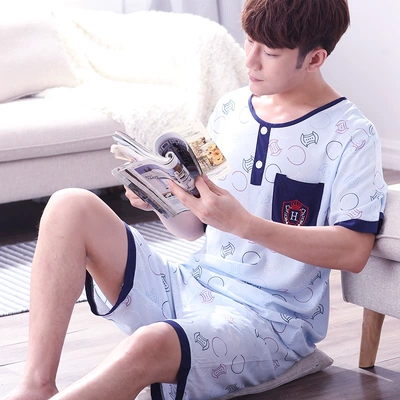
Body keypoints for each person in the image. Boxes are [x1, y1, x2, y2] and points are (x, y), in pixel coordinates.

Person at [4, 0, 387, 399]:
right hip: (190, 286)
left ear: (315, 58)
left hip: (270, 323)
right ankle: (36, 384)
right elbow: (194, 229)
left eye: (270, 53)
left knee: (149, 344)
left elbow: (354, 251)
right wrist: (161, 199)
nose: (250, 60)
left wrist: (246, 225)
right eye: (249, 41)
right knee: (69, 205)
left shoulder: (351, 135)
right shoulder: (231, 108)